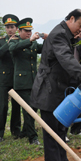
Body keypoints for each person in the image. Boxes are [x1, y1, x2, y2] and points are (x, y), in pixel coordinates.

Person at [30, 9, 81, 161]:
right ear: (71, 18)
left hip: (59, 91)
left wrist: (76, 39)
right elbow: (66, 58)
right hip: (49, 91)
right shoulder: (59, 34)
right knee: (52, 135)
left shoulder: (66, 35)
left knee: (60, 132)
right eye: (80, 25)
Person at [9, 18, 47, 145]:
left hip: (34, 81)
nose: (29, 33)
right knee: (29, 109)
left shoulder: (33, 43)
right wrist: (29, 41)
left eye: (30, 31)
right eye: (26, 31)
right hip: (22, 83)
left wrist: (48, 39)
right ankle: (32, 137)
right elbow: (13, 49)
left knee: (33, 108)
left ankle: (26, 131)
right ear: (19, 31)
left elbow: (45, 49)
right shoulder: (15, 42)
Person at [0, 14, 21, 142]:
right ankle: (0, 132)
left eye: (12, 27)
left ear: (17, 28)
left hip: (17, 78)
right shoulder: (2, 41)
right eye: (8, 27)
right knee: (2, 106)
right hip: (3, 79)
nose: (10, 30)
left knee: (17, 105)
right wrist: (9, 43)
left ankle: (16, 130)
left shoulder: (20, 40)